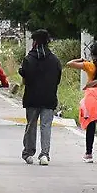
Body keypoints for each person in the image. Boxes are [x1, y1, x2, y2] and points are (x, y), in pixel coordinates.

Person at [19, 29, 62, 166]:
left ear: (34, 41)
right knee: (46, 126)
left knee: (31, 125)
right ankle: (44, 154)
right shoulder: (54, 60)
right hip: (49, 97)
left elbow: (25, 79)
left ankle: (28, 153)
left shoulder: (28, 59)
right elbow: (57, 80)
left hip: (32, 97)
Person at [66, 41, 97, 163]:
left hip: (91, 97)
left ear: (93, 54)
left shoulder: (89, 65)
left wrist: (80, 59)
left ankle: (88, 153)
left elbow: (69, 64)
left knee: (90, 126)